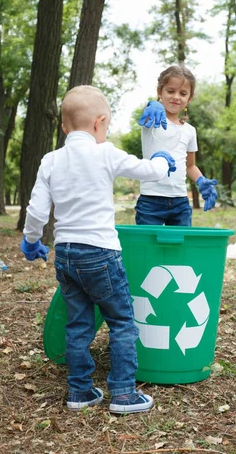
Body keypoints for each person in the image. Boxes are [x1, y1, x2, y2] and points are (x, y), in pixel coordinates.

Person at [20, 85, 176, 414]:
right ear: (99, 122)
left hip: (65, 256)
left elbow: (35, 212)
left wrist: (32, 240)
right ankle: (122, 394)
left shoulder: (50, 160)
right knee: (121, 323)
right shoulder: (106, 153)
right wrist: (162, 160)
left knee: (78, 325)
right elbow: (148, 171)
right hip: (101, 255)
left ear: (64, 127)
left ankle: (79, 392)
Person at [136, 64, 217, 226]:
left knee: (180, 249)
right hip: (150, 200)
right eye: (170, 91)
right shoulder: (152, 119)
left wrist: (201, 181)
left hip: (180, 201)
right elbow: (146, 112)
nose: (176, 97)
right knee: (150, 249)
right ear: (160, 92)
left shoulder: (190, 131)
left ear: (190, 98)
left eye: (183, 93)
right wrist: (152, 104)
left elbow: (190, 165)